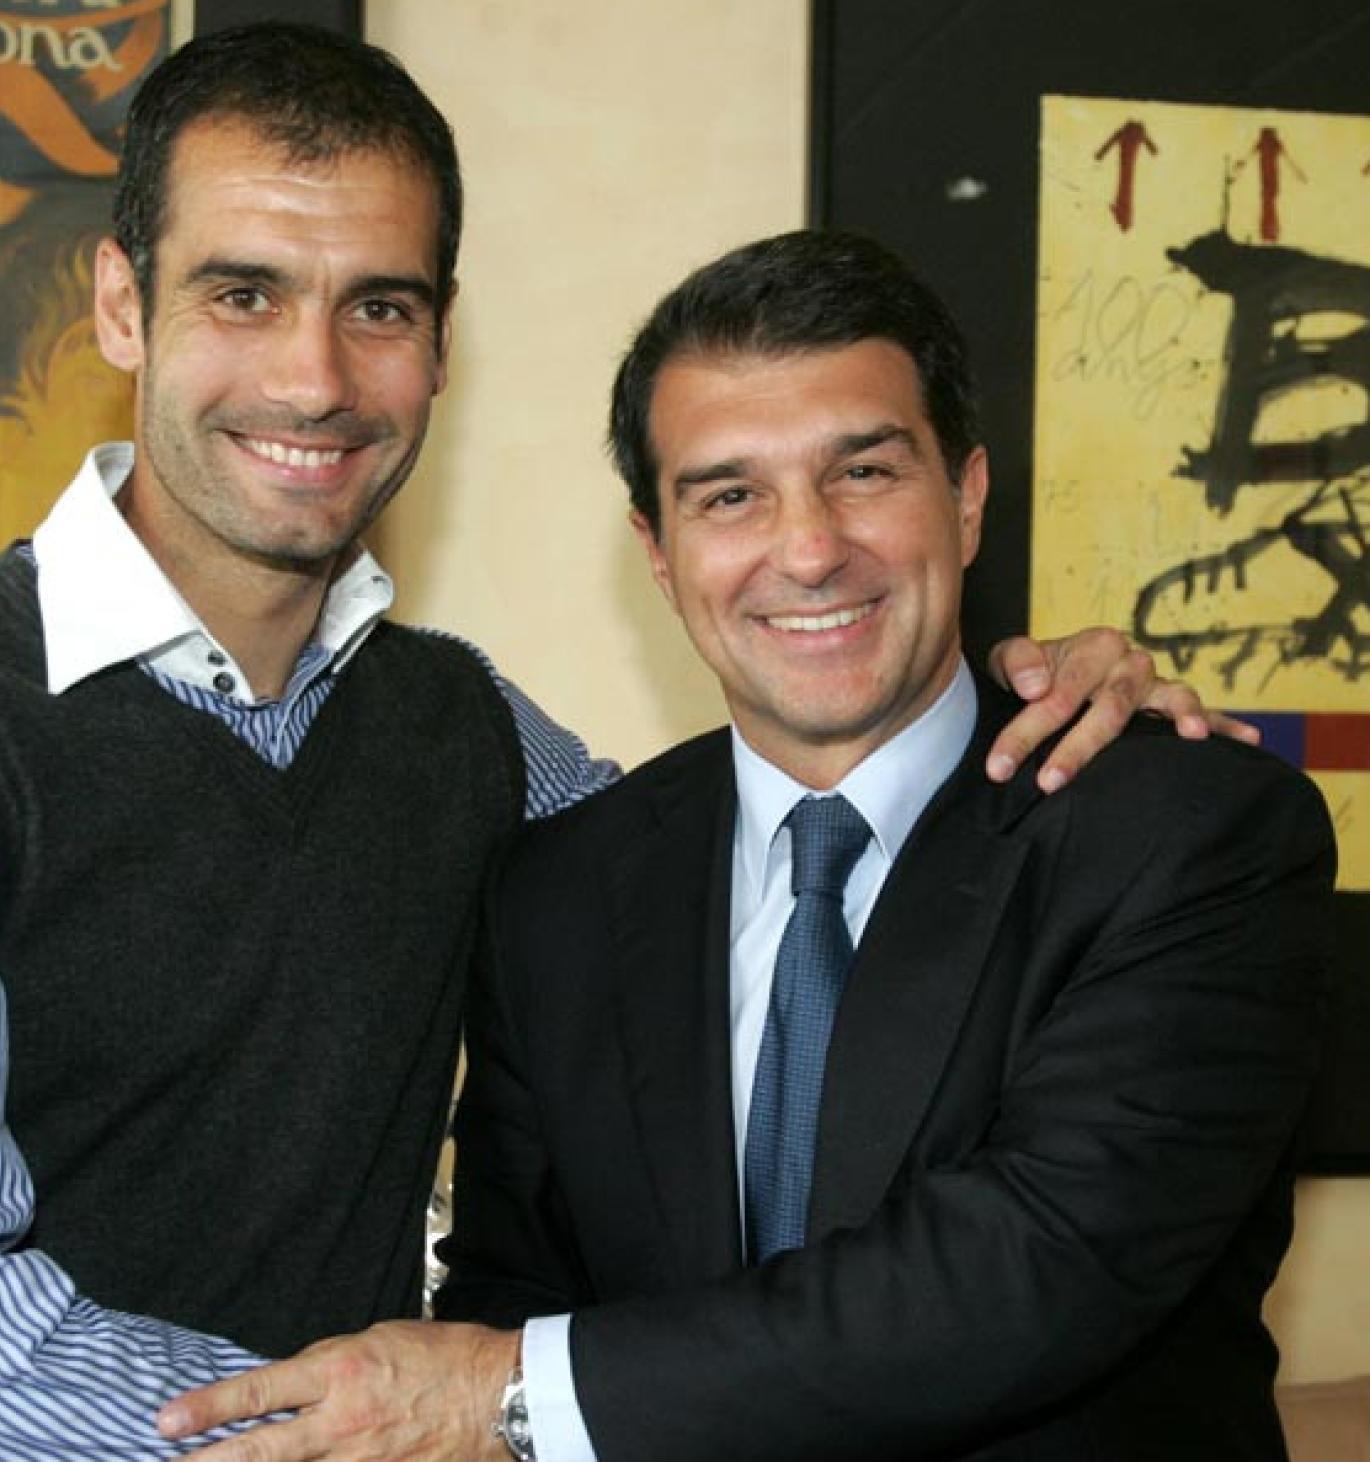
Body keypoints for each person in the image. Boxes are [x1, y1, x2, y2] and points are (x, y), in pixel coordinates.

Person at [0, 24, 1238, 1460]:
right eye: (243, 294)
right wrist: (410, 1421)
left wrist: (1040, 681)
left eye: (377, 306)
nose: (315, 379)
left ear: (442, 342)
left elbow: (779, 819)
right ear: (124, 305)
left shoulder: (466, 727)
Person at [160, 231, 1335, 1461]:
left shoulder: (1187, 833)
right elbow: (512, 1293)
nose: (810, 547)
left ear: (968, 495)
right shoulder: (560, 888)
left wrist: (500, 1395)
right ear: (659, 557)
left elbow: (1034, 1266)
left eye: (865, 472)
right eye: (728, 495)